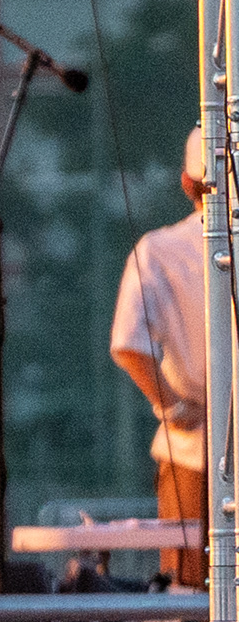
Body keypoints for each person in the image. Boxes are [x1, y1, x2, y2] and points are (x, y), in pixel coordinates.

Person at [115, 124, 217, 588]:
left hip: (193, 448)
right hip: (196, 447)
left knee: (189, 597)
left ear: (186, 183)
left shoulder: (158, 250)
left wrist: (174, 407)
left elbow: (128, 345)